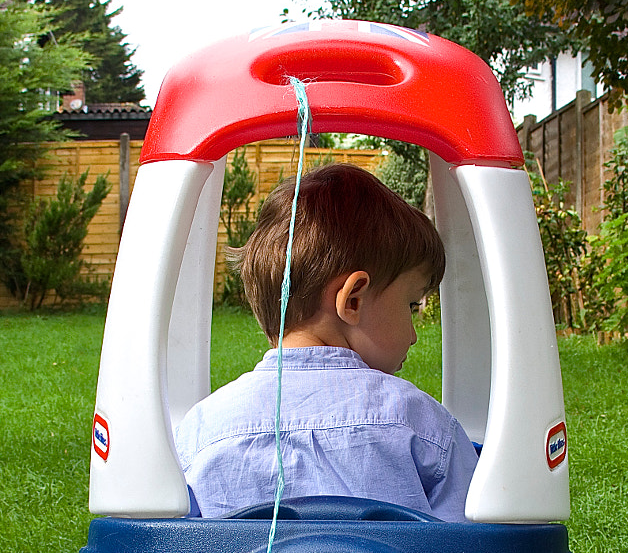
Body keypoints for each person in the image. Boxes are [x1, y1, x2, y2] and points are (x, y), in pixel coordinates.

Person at [173, 163, 479, 520]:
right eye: (411, 304)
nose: (413, 335)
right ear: (353, 300)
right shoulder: (424, 428)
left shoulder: (200, 434)